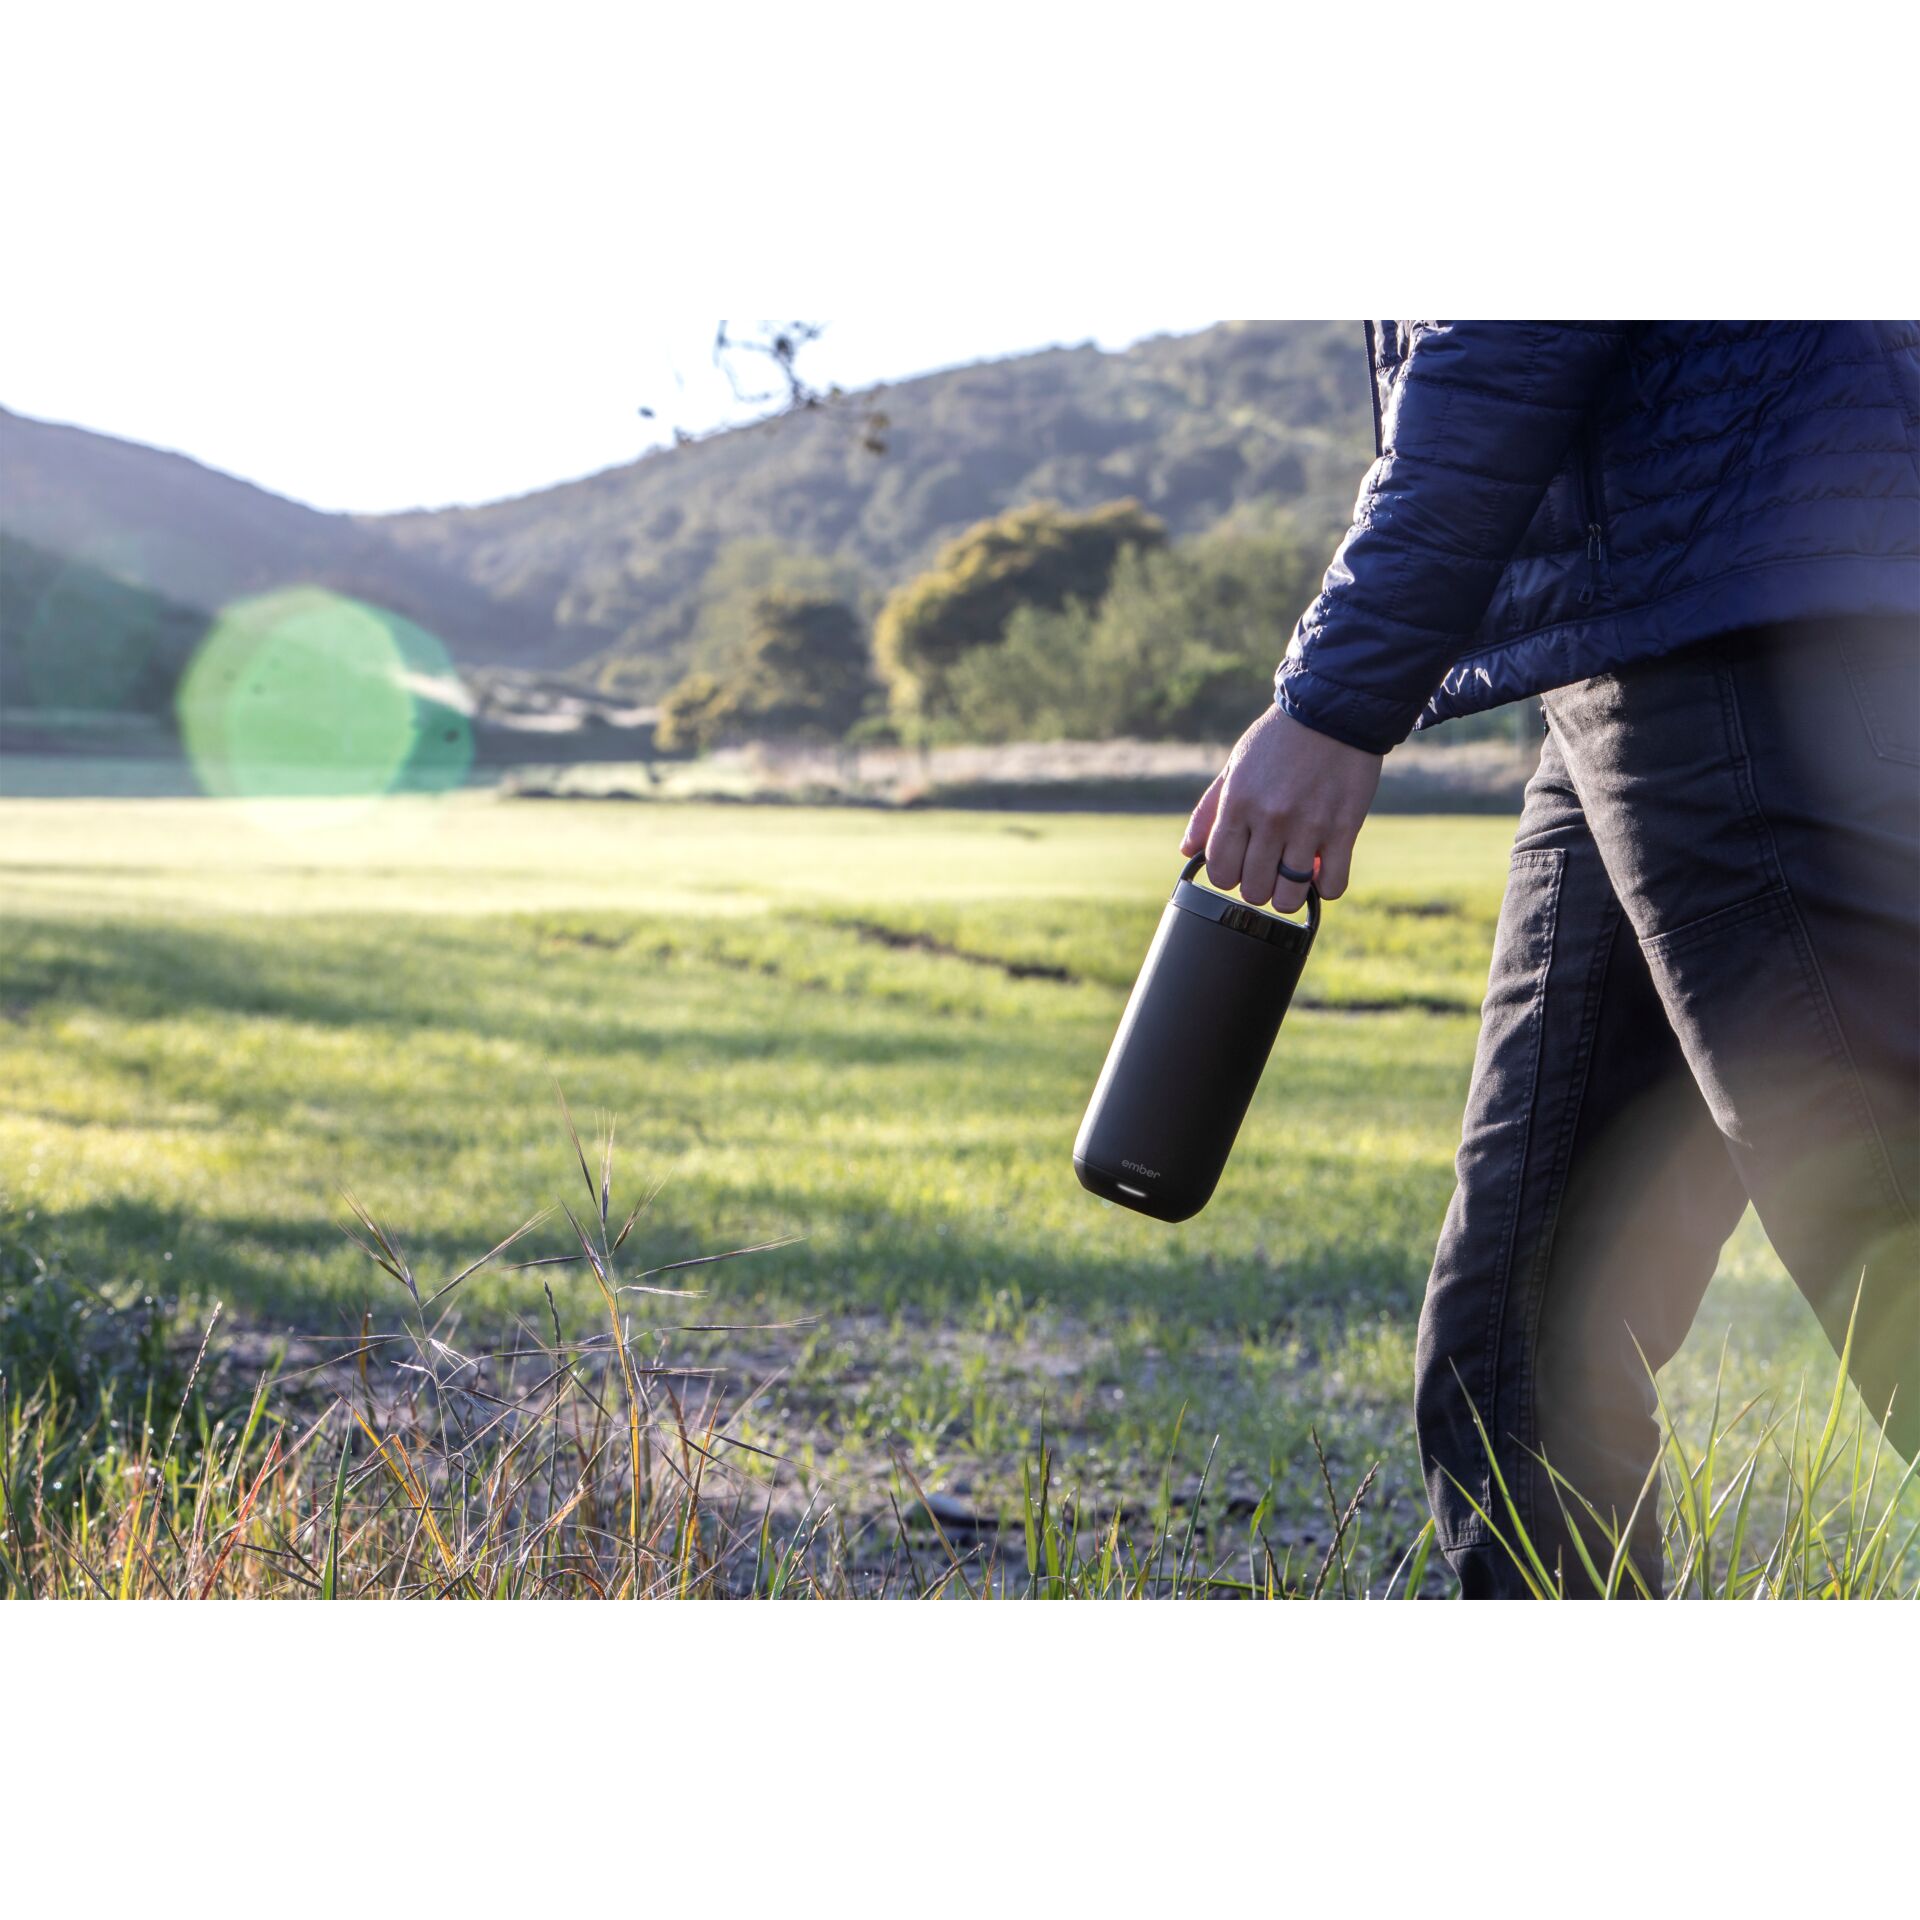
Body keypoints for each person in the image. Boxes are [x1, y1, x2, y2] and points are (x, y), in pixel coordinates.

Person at [1182, 322, 1920, 1597]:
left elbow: (1505, 340)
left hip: (1749, 629)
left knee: (1885, 1229)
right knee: (1523, 1335)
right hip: (1651, 632)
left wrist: (1332, 701)